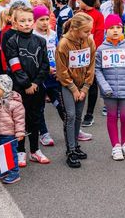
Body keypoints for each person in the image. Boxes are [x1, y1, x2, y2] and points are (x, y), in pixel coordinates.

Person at [4, 6, 51, 166]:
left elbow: (45, 64)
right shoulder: (12, 41)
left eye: (29, 20)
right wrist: (26, 84)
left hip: (37, 88)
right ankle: (20, 150)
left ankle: (35, 150)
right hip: (19, 88)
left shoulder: (41, 41)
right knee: (19, 120)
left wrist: (36, 83)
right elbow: (14, 65)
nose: (26, 24)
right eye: (22, 21)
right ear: (15, 23)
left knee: (35, 118)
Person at [95, 14, 125, 160]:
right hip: (109, 92)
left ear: (123, 29)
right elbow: (97, 70)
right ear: (106, 30)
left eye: (118, 27)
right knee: (112, 117)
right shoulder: (101, 49)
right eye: (111, 28)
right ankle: (116, 146)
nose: (115, 30)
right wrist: (104, 87)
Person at [55, 13, 95, 168]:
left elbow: (91, 66)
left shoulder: (89, 41)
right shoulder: (63, 44)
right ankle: (70, 150)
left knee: (79, 115)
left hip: (82, 85)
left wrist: (85, 87)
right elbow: (62, 70)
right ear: (75, 29)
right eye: (86, 31)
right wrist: (73, 89)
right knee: (70, 116)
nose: (89, 34)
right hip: (68, 85)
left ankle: (76, 145)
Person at [32, 5, 64, 147]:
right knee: (39, 107)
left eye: (46, 19)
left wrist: (59, 68)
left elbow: (57, 51)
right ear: (34, 21)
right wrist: (46, 68)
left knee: (60, 103)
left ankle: (71, 128)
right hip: (41, 76)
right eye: (41, 19)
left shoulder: (52, 34)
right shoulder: (32, 35)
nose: (44, 22)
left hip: (54, 76)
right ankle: (43, 133)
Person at [78, 0, 105, 127]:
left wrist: (92, 52)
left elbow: (99, 35)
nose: (78, 1)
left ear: (85, 1)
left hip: (92, 54)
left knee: (92, 83)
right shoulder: (78, 14)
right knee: (78, 83)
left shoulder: (98, 16)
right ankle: (77, 113)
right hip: (78, 54)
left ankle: (89, 114)